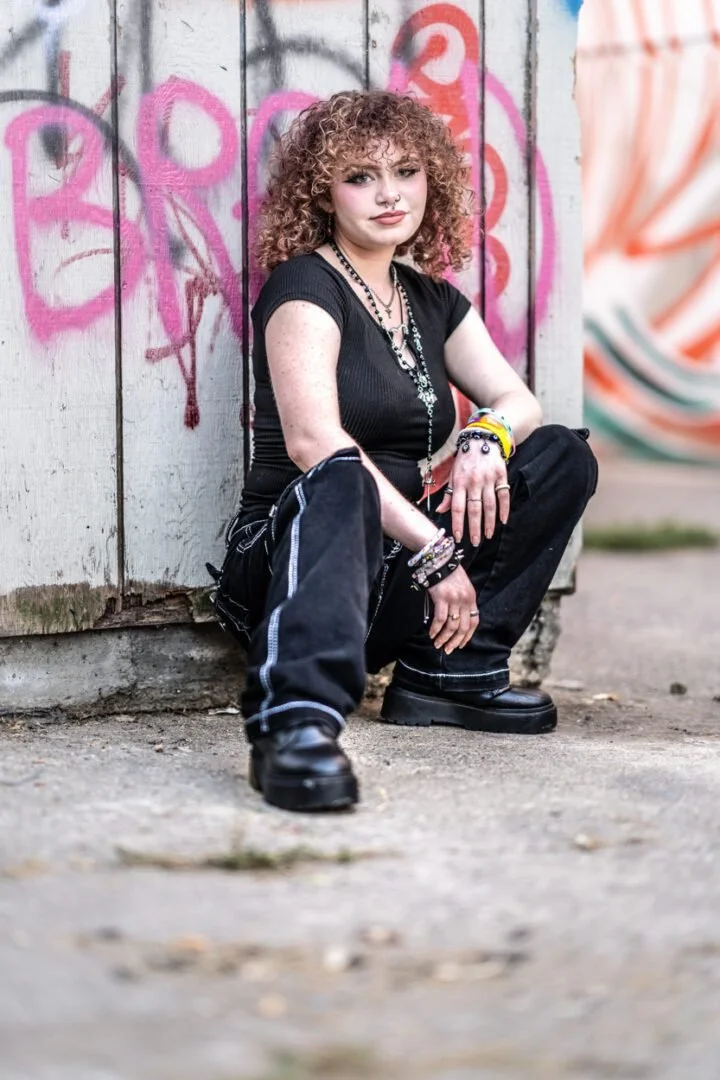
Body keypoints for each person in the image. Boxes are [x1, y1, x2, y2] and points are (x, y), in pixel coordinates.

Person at [209, 89, 597, 814]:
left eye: (406, 172)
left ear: (432, 181)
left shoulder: (431, 298)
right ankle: (295, 723)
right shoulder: (304, 287)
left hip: (397, 566)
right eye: (359, 176)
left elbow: (519, 401)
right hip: (300, 558)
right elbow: (312, 442)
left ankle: (450, 673)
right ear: (323, 194)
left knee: (559, 457)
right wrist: (434, 551)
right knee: (342, 476)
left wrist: (486, 436)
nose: (389, 195)